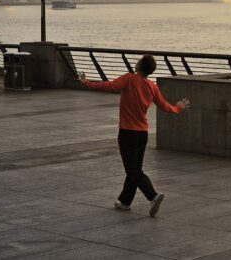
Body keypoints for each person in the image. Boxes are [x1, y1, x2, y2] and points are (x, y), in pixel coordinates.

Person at [79, 54, 189, 217]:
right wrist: (178, 107)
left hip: (127, 132)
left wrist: (87, 83)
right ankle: (125, 201)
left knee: (132, 170)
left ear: (139, 66)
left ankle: (153, 196)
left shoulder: (129, 79)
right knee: (134, 168)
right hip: (142, 133)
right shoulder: (152, 86)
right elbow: (165, 106)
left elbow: (109, 86)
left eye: (138, 61)